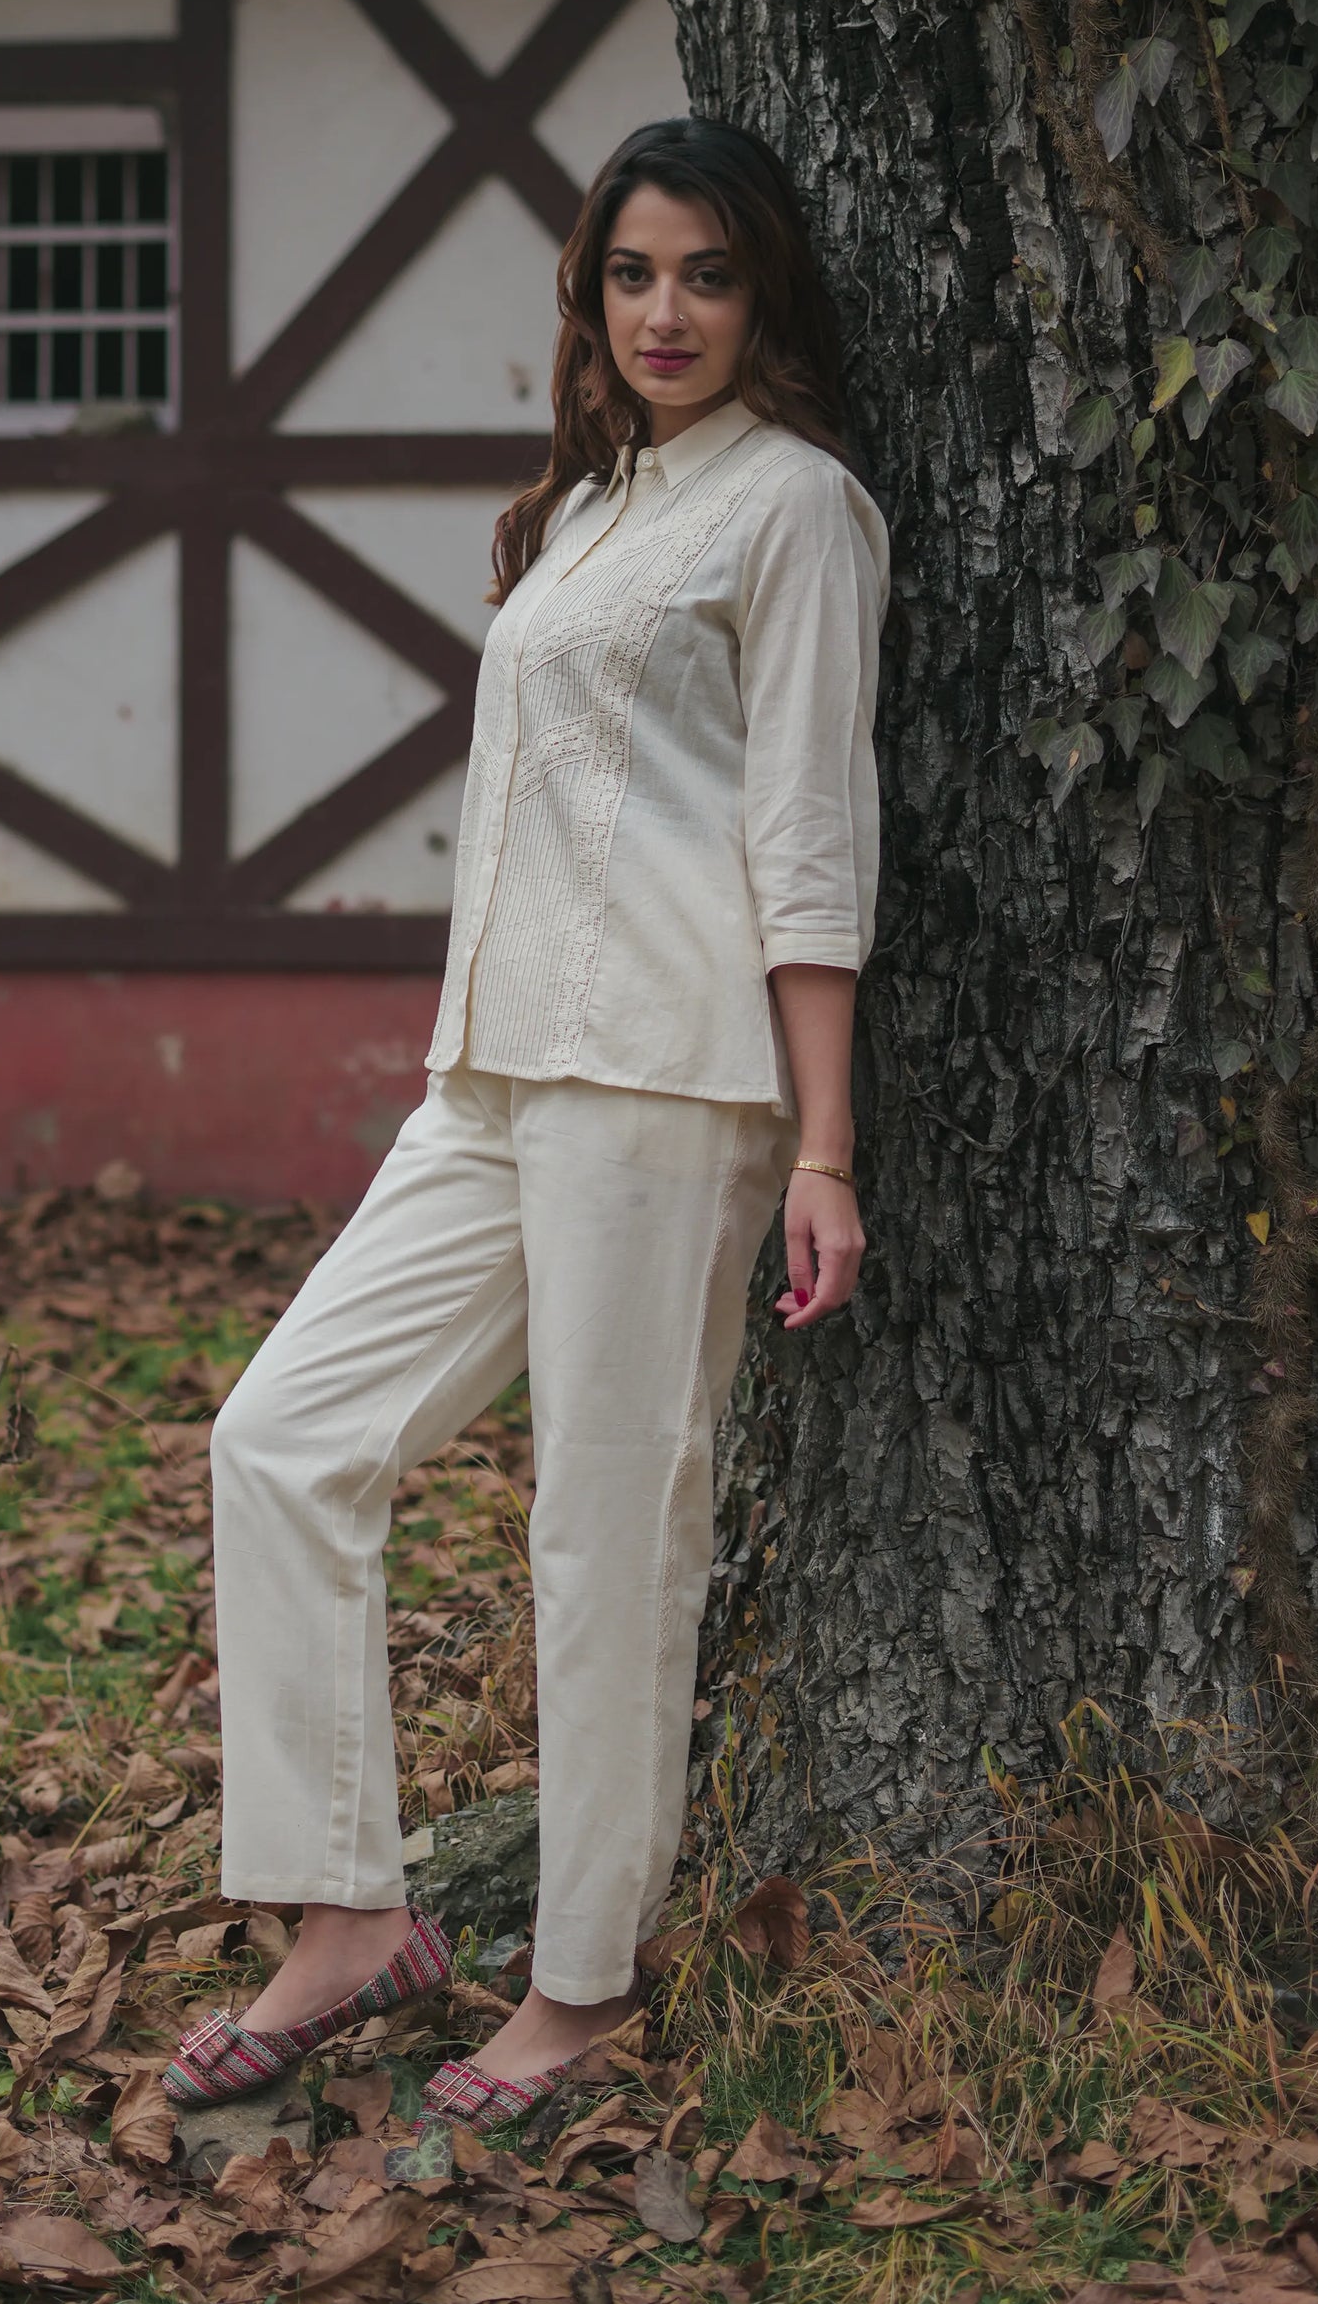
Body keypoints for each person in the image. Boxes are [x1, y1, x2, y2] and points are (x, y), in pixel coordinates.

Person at [164, 117, 888, 2128]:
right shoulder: (589, 505)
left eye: (708, 276)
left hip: (666, 1081)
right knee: (283, 1439)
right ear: (590, 296)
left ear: (763, 297)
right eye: (632, 274)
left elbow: (811, 835)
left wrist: (823, 1148)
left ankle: (579, 1983)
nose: (667, 312)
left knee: (608, 1533)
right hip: (487, 1073)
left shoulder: (797, 508)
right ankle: (345, 1912)